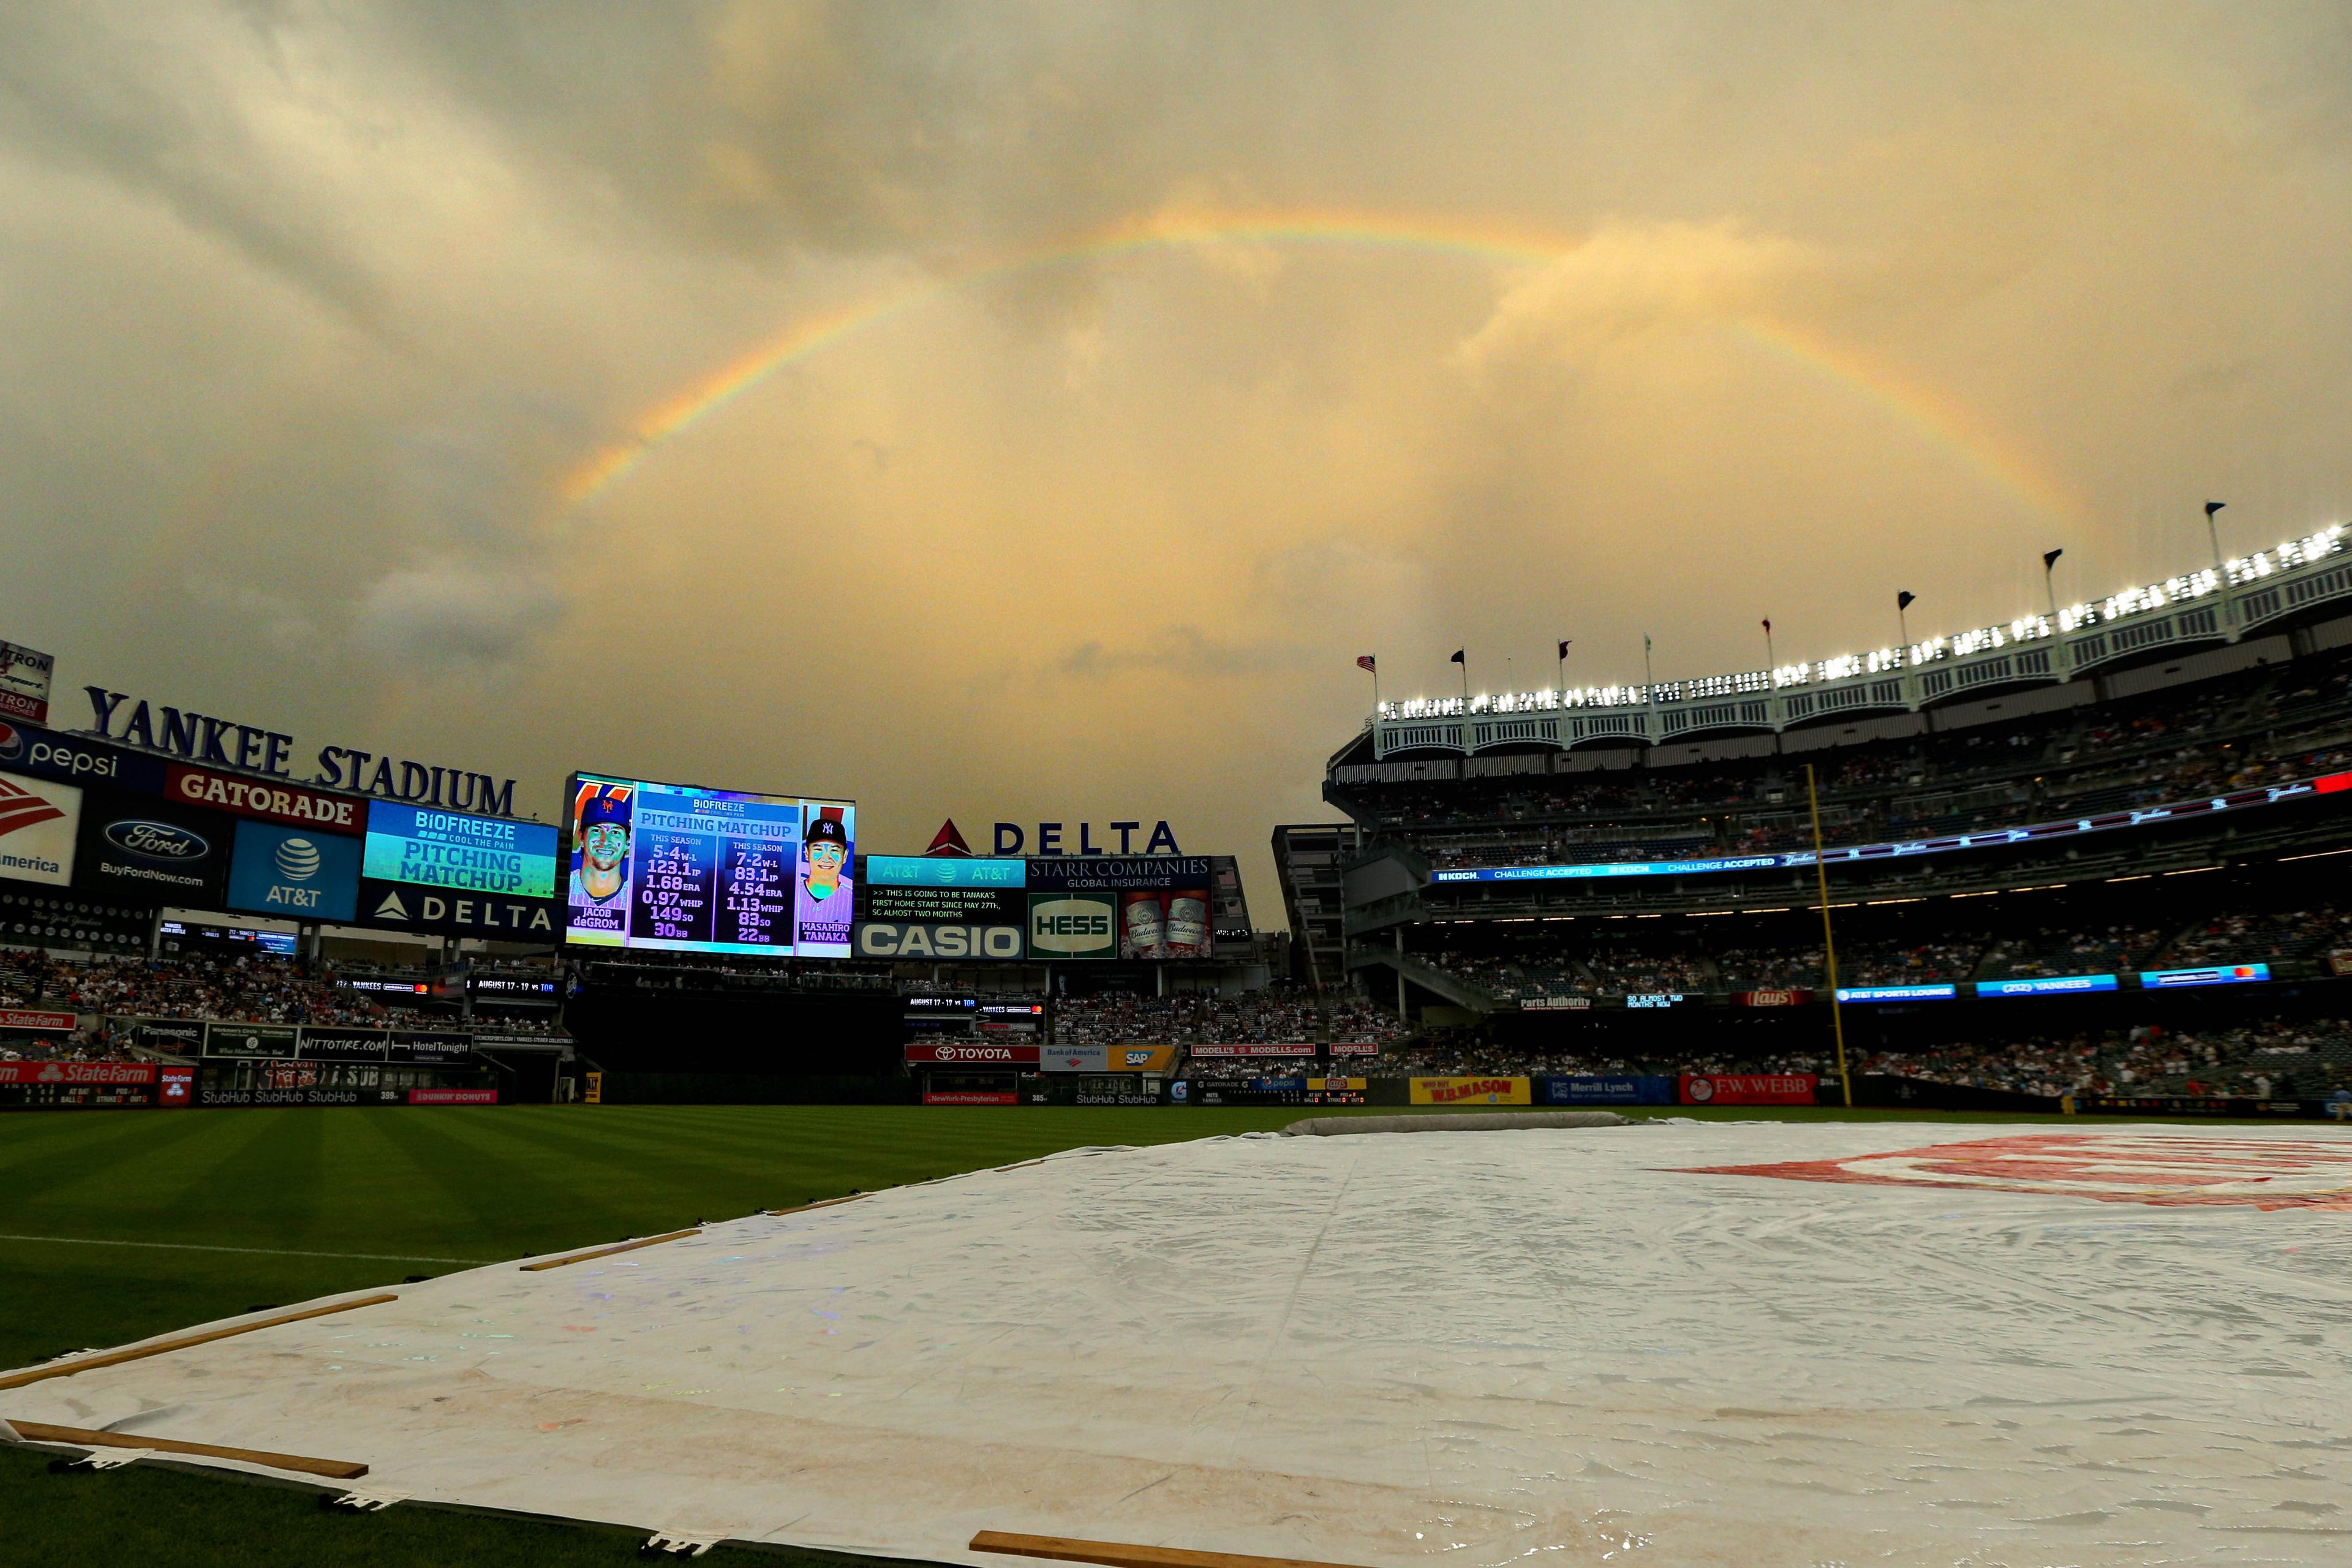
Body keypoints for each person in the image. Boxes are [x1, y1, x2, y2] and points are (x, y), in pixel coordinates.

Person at [570, 781, 634, 911]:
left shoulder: (636, 900)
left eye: (615, 832)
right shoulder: (563, 888)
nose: (605, 841)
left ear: (627, 842)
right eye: (597, 831)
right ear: (582, 837)